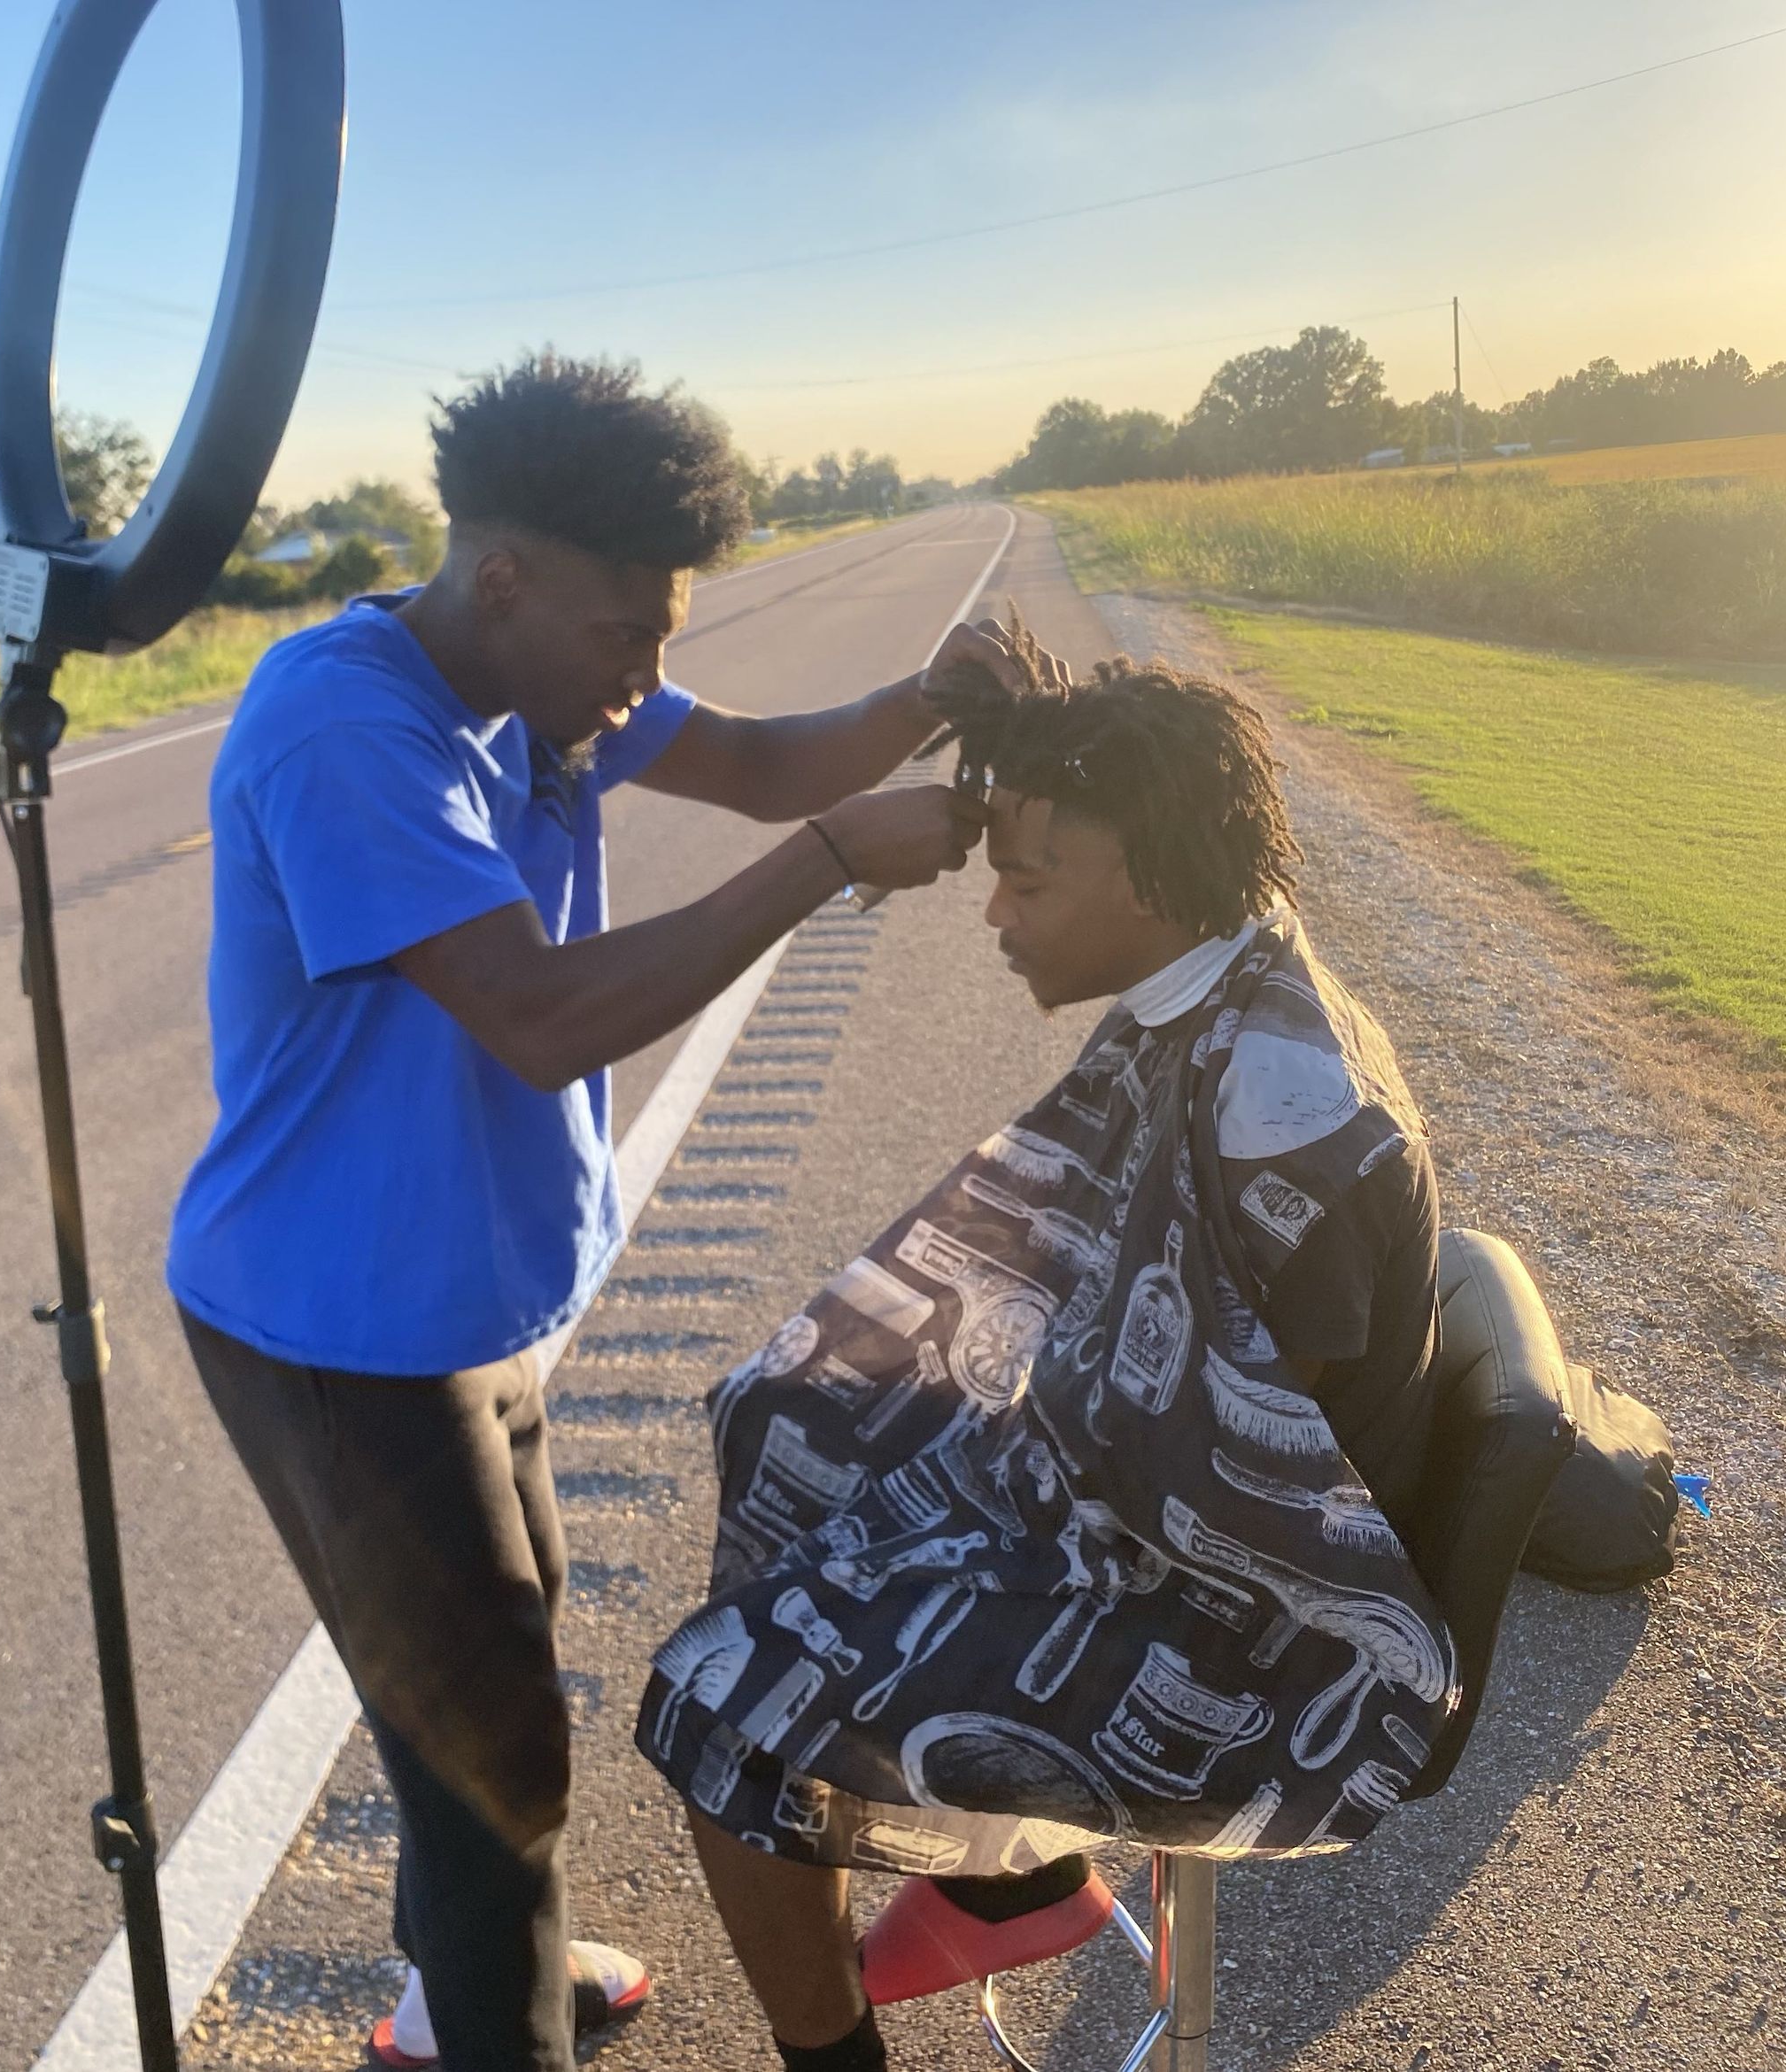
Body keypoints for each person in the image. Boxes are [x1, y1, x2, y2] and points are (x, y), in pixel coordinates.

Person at [166, 352, 1030, 2072]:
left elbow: (773, 759)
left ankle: (461, 1985)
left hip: (458, 1305)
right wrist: (834, 866)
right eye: (630, 636)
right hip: (332, 1334)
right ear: (503, 578)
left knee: (504, 1649)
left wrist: (933, 696)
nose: (650, 680)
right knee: (499, 1785)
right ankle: (486, 2016)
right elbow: (540, 1009)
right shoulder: (348, 725)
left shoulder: (544, 675)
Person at [638, 638, 1457, 2072]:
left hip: (1262, 1620)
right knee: (783, 1424)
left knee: (722, 1710)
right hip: (1149, 1500)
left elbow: (1255, 1479)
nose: (996, 914)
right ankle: (1005, 1880)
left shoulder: (1281, 1101)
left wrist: (992, 1512)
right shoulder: (1208, 980)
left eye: (1028, 878)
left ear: (1140, 878)